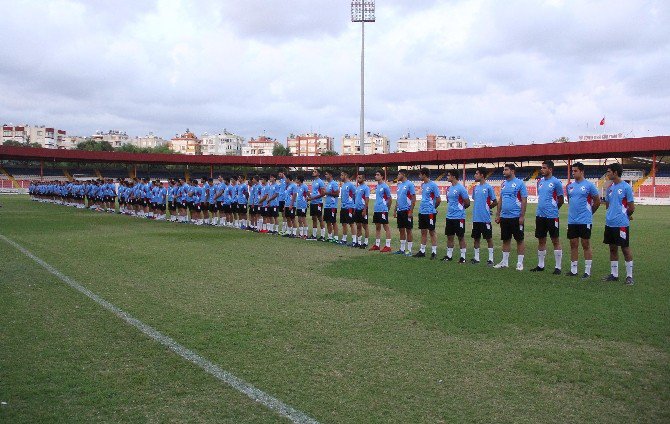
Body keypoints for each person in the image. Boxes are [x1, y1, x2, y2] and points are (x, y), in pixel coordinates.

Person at [565, 162, 601, 278]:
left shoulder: (589, 186)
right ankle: (573, 270)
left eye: (575, 171)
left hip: (584, 220)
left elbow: (597, 201)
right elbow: (570, 202)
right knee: (573, 244)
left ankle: (587, 271)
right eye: (572, 171)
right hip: (572, 221)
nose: (573, 173)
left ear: (581, 171)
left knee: (585, 244)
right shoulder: (569, 186)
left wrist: (589, 213)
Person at [602, 163, 635, 285]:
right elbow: (608, 205)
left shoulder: (626, 187)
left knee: (625, 248)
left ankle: (629, 276)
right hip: (610, 223)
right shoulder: (609, 187)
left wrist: (625, 215)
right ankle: (614, 274)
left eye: (609, 171)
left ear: (615, 172)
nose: (607, 173)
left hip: (621, 224)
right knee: (612, 248)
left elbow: (631, 207)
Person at [530, 160, 564, 274]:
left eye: (544, 168)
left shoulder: (556, 182)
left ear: (550, 169)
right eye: (541, 168)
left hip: (552, 216)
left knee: (555, 240)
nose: (542, 170)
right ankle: (540, 265)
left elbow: (561, 199)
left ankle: (558, 267)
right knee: (541, 240)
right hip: (540, 215)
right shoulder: (539, 181)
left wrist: (553, 209)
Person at [494, 163, 527, 270]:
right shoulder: (503, 184)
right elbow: (501, 200)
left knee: (519, 240)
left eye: (506, 170)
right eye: (504, 170)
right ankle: (504, 262)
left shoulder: (520, 183)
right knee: (506, 240)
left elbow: (524, 200)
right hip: (504, 217)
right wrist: (498, 214)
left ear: (512, 171)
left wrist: (521, 216)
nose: (504, 171)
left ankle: (520, 263)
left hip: (516, 217)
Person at [470, 167, 497, 265]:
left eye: (476, 173)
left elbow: (495, 202)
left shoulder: (489, 187)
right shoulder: (475, 188)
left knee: (488, 238)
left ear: (482, 175)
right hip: (476, 218)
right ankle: (476, 258)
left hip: (485, 219)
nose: (475, 175)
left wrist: (488, 208)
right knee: (476, 238)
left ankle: (491, 259)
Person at [414, 167, 441, 259]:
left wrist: (433, 208)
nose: (419, 176)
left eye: (420, 174)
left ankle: (434, 252)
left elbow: (438, 200)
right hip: (422, 211)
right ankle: (422, 251)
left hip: (430, 213)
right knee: (423, 231)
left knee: (432, 231)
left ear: (424, 175)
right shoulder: (423, 185)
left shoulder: (433, 185)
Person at [394, 169, 416, 256]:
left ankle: (409, 250)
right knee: (401, 230)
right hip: (400, 210)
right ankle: (402, 249)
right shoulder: (399, 185)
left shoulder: (410, 184)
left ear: (403, 174)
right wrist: (395, 210)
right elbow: (398, 198)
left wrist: (411, 211)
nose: (397, 176)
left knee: (408, 230)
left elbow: (413, 198)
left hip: (407, 211)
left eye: (399, 174)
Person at [371, 170, 393, 252]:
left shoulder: (385, 186)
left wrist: (387, 208)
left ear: (382, 176)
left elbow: (390, 199)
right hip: (376, 209)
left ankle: (388, 246)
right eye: (375, 174)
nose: (375, 176)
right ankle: (377, 245)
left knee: (386, 227)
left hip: (383, 209)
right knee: (377, 227)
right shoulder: (377, 186)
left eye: (377, 175)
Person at [307, 169, 326, 241]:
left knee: (320, 218)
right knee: (314, 218)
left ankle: (323, 236)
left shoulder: (320, 182)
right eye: (313, 171)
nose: (313, 172)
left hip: (318, 203)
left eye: (315, 171)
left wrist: (313, 198)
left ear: (318, 173)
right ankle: (314, 236)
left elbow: (323, 193)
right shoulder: (314, 182)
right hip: (313, 202)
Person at [339, 171, 357, 246]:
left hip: (349, 207)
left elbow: (355, 194)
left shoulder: (350, 185)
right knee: (343, 223)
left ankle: (354, 240)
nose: (340, 176)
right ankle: (344, 239)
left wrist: (354, 205)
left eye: (342, 175)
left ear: (346, 176)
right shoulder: (343, 185)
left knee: (351, 223)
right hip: (343, 207)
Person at [323, 170, 340, 242]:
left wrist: (327, 193)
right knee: (327, 221)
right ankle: (330, 237)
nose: (325, 176)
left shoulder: (334, 184)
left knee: (333, 222)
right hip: (327, 206)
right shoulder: (328, 184)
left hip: (332, 206)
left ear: (330, 175)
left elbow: (337, 194)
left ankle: (335, 238)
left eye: (326, 174)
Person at [354, 173, 371, 248]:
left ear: (363, 179)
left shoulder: (366, 188)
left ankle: (366, 242)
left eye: (360, 178)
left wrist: (365, 210)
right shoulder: (357, 188)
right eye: (357, 178)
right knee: (358, 226)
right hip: (357, 209)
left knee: (365, 226)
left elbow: (367, 199)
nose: (358, 179)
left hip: (362, 209)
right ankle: (359, 242)